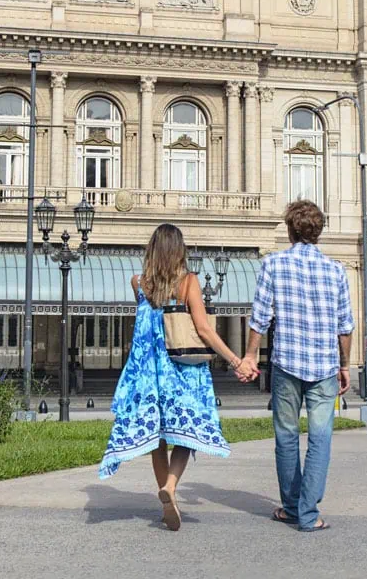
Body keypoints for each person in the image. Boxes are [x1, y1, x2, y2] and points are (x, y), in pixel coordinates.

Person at [99, 223, 256, 532]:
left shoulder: (138, 283)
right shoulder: (188, 283)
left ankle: (165, 500)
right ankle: (170, 486)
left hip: (147, 372)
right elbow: (204, 329)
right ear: (179, 250)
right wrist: (237, 361)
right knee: (187, 428)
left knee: (158, 437)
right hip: (181, 369)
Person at [240, 200, 354, 533]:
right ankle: (307, 512)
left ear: (289, 230)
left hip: (287, 365)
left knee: (286, 438)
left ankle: (293, 507)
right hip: (324, 367)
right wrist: (344, 365)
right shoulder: (336, 270)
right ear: (318, 233)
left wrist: (249, 356)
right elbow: (344, 326)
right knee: (321, 439)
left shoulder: (273, 264)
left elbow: (260, 318)